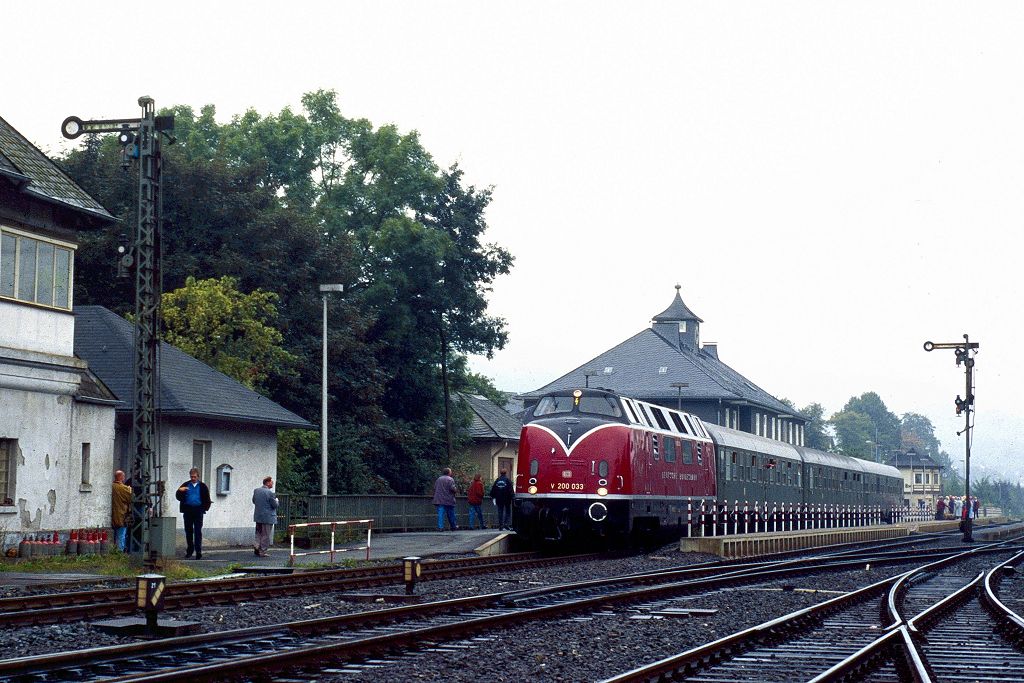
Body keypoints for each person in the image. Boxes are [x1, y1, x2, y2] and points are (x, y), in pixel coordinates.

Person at [175, 467, 212, 559]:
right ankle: (189, 551)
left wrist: (205, 509)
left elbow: (207, 498)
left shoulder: (202, 486)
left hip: (198, 510)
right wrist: (180, 491)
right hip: (188, 510)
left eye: (194, 477)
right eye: (191, 477)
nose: (193, 478)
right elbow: (178, 497)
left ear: (198, 477)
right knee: (188, 531)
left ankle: (198, 551)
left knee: (198, 531)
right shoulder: (186, 485)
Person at [252, 475, 279, 557]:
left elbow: (254, 501)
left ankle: (256, 545)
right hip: (268, 517)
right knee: (266, 535)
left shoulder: (256, 491)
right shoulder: (270, 493)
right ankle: (262, 551)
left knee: (258, 533)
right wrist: (277, 501)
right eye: (271, 483)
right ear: (267, 483)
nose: (272, 484)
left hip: (258, 516)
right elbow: (274, 505)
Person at [111, 470, 132, 552]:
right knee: (121, 535)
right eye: (123, 476)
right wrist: (130, 489)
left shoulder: (112, 486)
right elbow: (131, 498)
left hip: (113, 514)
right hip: (121, 515)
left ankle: (115, 551)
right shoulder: (124, 488)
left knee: (116, 534)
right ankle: (119, 552)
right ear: (121, 477)